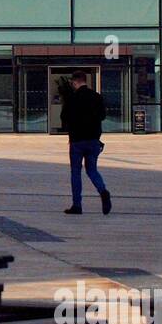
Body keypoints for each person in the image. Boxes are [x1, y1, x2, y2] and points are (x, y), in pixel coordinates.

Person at [60, 70, 112, 215]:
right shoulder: (96, 97)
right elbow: (102, 116)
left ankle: (77, 205)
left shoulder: (72, 98)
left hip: (77, 140)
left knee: (76, 172)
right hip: (94, 140)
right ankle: (103, 191)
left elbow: (64, 117)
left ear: (75, 82)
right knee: (92, 170)